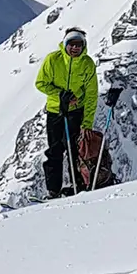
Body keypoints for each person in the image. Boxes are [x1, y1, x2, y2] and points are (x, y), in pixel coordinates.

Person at [34, 26, 98, 198]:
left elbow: (91, 94)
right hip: (55, 111)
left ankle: (78, 186)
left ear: (84, 46)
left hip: (75, 113)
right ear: (65, 44)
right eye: (72, 44)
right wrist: (62, 95)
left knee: (75, 151)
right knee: (54, 151)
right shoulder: (53, 60)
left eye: (79, 44)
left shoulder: (87, 64)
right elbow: (41, 83)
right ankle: (53, 190)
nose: (75, 48)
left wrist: (87, 123)